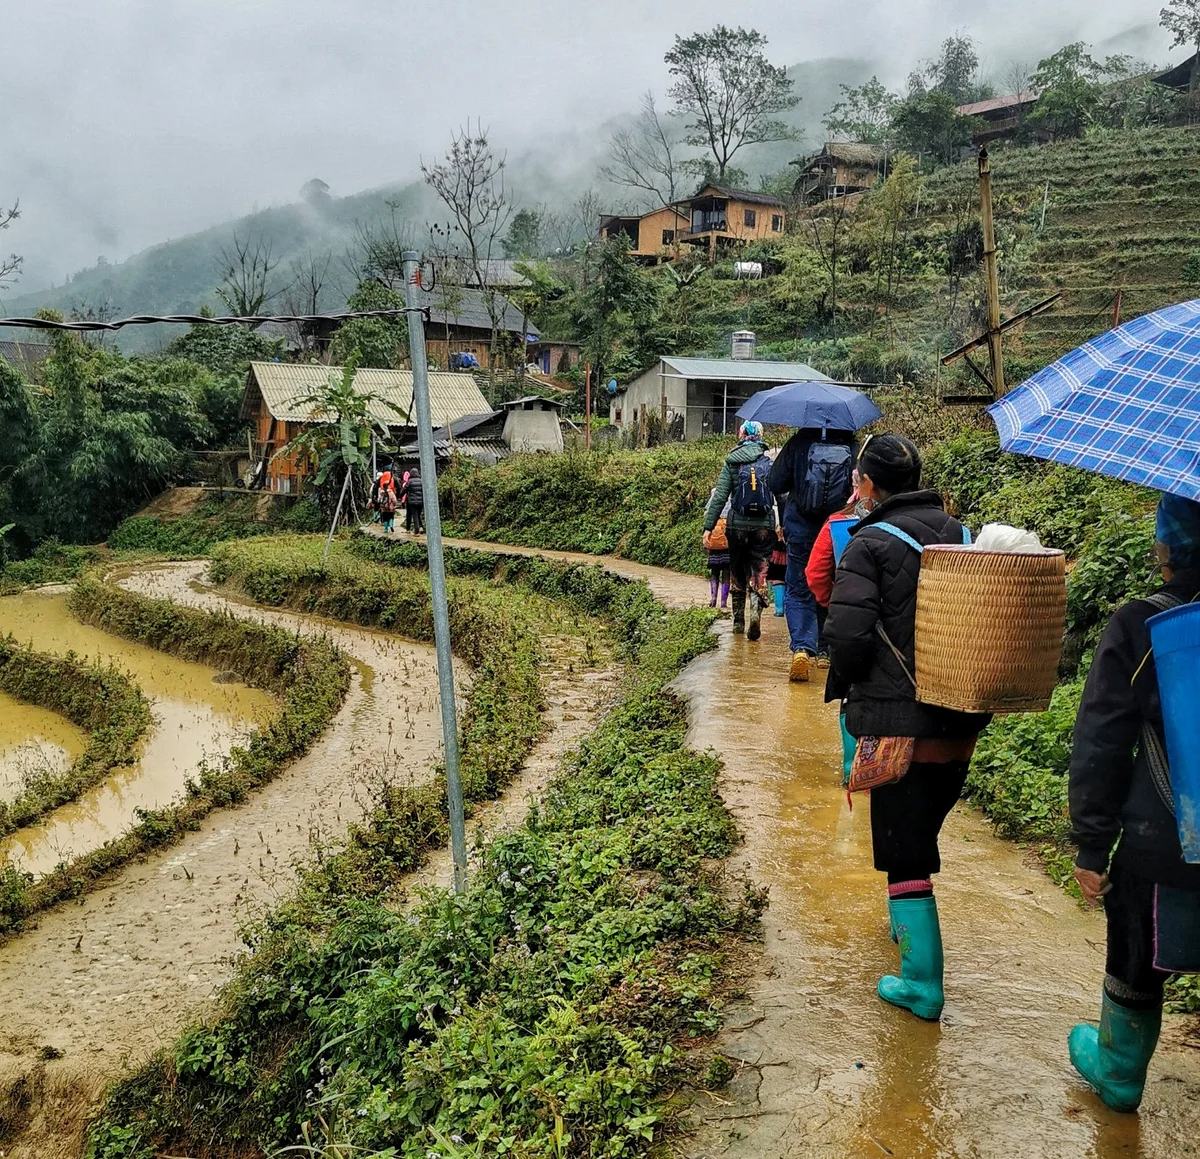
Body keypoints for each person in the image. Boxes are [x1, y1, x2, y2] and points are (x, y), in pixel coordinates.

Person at [824, 434, 990, 1022]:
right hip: (960, 720)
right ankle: (906, 924)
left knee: (904, 851)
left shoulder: (868, 543)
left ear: (868, 484)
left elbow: (848, 636)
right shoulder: (963, 534)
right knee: (921, 832)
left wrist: (849, 684)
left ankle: (921, 984)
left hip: (901, 725)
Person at [1066, 492, 1200, 1113]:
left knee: (1138, 953)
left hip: (1165, 837)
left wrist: (1091, 845)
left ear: (1170, 544)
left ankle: (1119, 1072)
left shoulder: (1146, 625)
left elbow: (1104, 737)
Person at [768, 426, 857, 683]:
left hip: (801, 529)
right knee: (832, 584)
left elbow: (775, 482)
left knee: (798, 588)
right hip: (838, 529)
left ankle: (802, 648)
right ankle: (826, 650)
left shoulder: (799, 442)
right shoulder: (852, 445)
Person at [806, 475, 874, 783]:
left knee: (851, 690)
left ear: (864, 483)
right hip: (908, 632)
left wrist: (834, 604)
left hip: (853, 624)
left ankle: (852, 770)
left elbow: (816, 573)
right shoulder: (940, 526)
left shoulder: (840, 523)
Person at [703, 421, 776, 640]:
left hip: (737, 526)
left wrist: (708, 526)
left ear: (741, 435)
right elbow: (780, 496)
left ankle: (737, 622)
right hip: (764, 526)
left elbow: (720, 496)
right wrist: (782, 525)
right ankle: (755, 612)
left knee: (736, 569)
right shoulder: (768, 463)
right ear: (760, 436)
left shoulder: (731, 462)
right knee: (759, 569)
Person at [704, 488, 731, 609]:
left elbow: (707, 515)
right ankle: (723, 602)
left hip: (714, 540)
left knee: (714, 572)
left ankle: (713, 598)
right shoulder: (733, 494)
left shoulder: (715, 492)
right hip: (727, 541)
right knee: (726, 572)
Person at [375, 470, 398, 535]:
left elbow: (379, 500)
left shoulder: (381, 492)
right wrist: (394, 505)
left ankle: (385, 529)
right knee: (391, 516)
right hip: (390, 508)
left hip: (384, 508)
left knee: (385, 518)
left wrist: (379, 503)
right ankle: (391, 524)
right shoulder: (391, 492)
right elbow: (394, 500)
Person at [404, 468, 424, 535]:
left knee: (415, 515)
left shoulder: (409, 481)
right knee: (418, 515)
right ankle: (421, 527)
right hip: (420, 501)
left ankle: (417, 531)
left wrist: (400, 496)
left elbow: (404, 489)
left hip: (412, 501)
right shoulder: (421, 481)